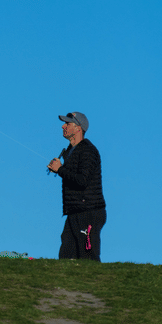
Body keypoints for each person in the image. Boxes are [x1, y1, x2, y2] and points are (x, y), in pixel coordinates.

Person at [47, 112, 106, 261]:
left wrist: (60, 169)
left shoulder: (88, 150)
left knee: (88, 258)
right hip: (74, 213)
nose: (63, 126)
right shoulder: (70, 152)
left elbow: (82, 181)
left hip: (88, 213)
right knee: (66, 258)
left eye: (67, 123)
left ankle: (96, 284)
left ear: (78, 128)